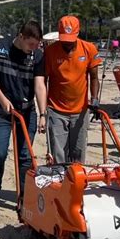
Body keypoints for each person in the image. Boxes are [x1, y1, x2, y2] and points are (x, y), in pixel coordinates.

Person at [0, 21, 47, 206]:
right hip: (0, 111)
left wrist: (43, 114)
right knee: (0, 152)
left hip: (26, 112)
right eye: (31, 44)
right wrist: (3, 99)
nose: (34, 48)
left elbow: (40, 85)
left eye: (37, 45)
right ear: (21, 37)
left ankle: (23, 196)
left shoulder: (38, 55)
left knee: (25, 156)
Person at [44, 16, 101, 163]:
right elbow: (43, 81)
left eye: (70, 39)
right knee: (58, 154)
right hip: (56, 110)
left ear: (77, 33)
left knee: (78, 152)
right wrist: (43, 108)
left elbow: (94, 77)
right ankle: (61, 182)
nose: (67, 43)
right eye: (64, 39)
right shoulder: (50, 52)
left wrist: (94, 99)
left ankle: (76, 182)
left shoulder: (89, 49)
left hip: (80, 110)